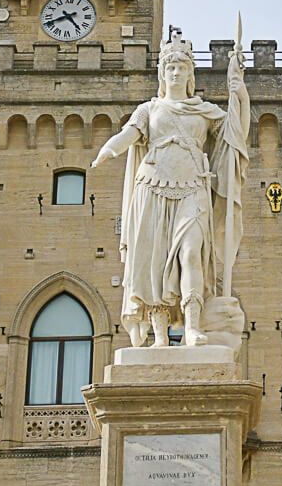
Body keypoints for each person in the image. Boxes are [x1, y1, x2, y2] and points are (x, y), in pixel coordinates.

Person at [90, 35, 248, 347]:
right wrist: (108, 150)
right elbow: (129, 134)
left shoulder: (203, 111)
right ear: (163, 74)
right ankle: (159, 335)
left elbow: (234, 134)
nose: (175, 73)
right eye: (170, 67)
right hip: (152, 188)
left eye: (181, 68)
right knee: (154, 264)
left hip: (192, 189)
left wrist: (239, 92)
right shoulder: (149, 109)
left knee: (191, 254)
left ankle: (191, 327)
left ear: (191, 75)